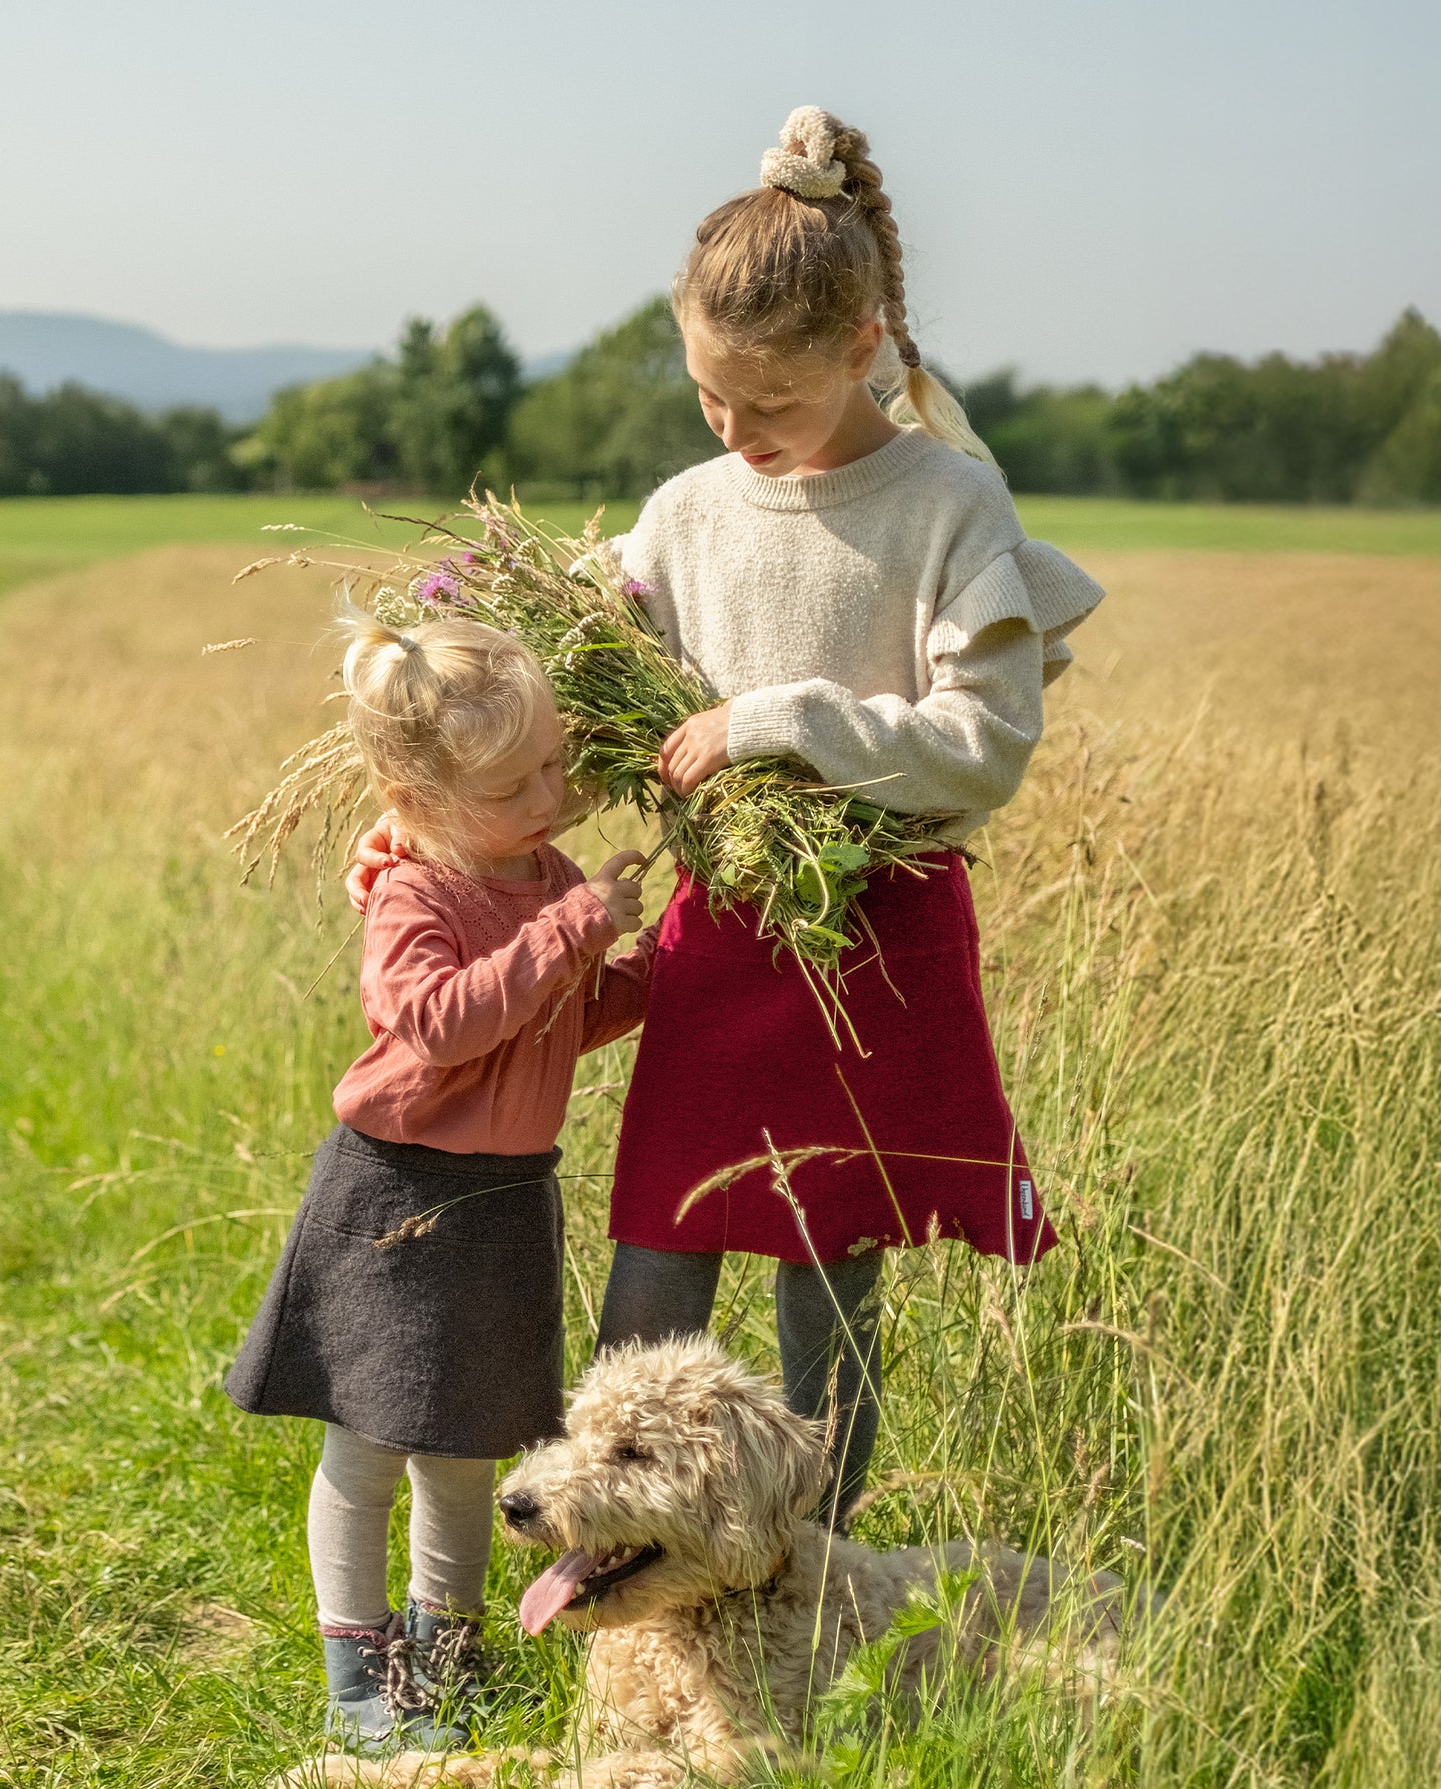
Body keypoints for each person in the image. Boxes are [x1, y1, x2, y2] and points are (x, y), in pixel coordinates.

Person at [347, 106, 1103, 1528]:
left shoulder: (949, 507)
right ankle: (619, 1566)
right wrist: (428, 819)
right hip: (721, 928)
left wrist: (776, 718)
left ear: (864, 343)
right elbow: (557, 697)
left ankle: (803, 1588)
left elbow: (984, 748)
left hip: (866, 944)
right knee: (658, 1259)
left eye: (769, 404)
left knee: (831, 1285)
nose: (733, 433)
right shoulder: (686, 513)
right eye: (709, 397)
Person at [226, 610, 653, 1752]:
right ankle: (357, 1676)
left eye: (557, 767)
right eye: (516, 785)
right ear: (412, 799)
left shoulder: (544, 871)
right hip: (395, 1202)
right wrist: (573, 927)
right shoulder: (416, 895)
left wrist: (643, 972)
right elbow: (439, 1022)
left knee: (468, 1454)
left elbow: (549, 1021)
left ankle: (441, 1657)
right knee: (368, 1450)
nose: (550, 799)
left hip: (507, 1202)